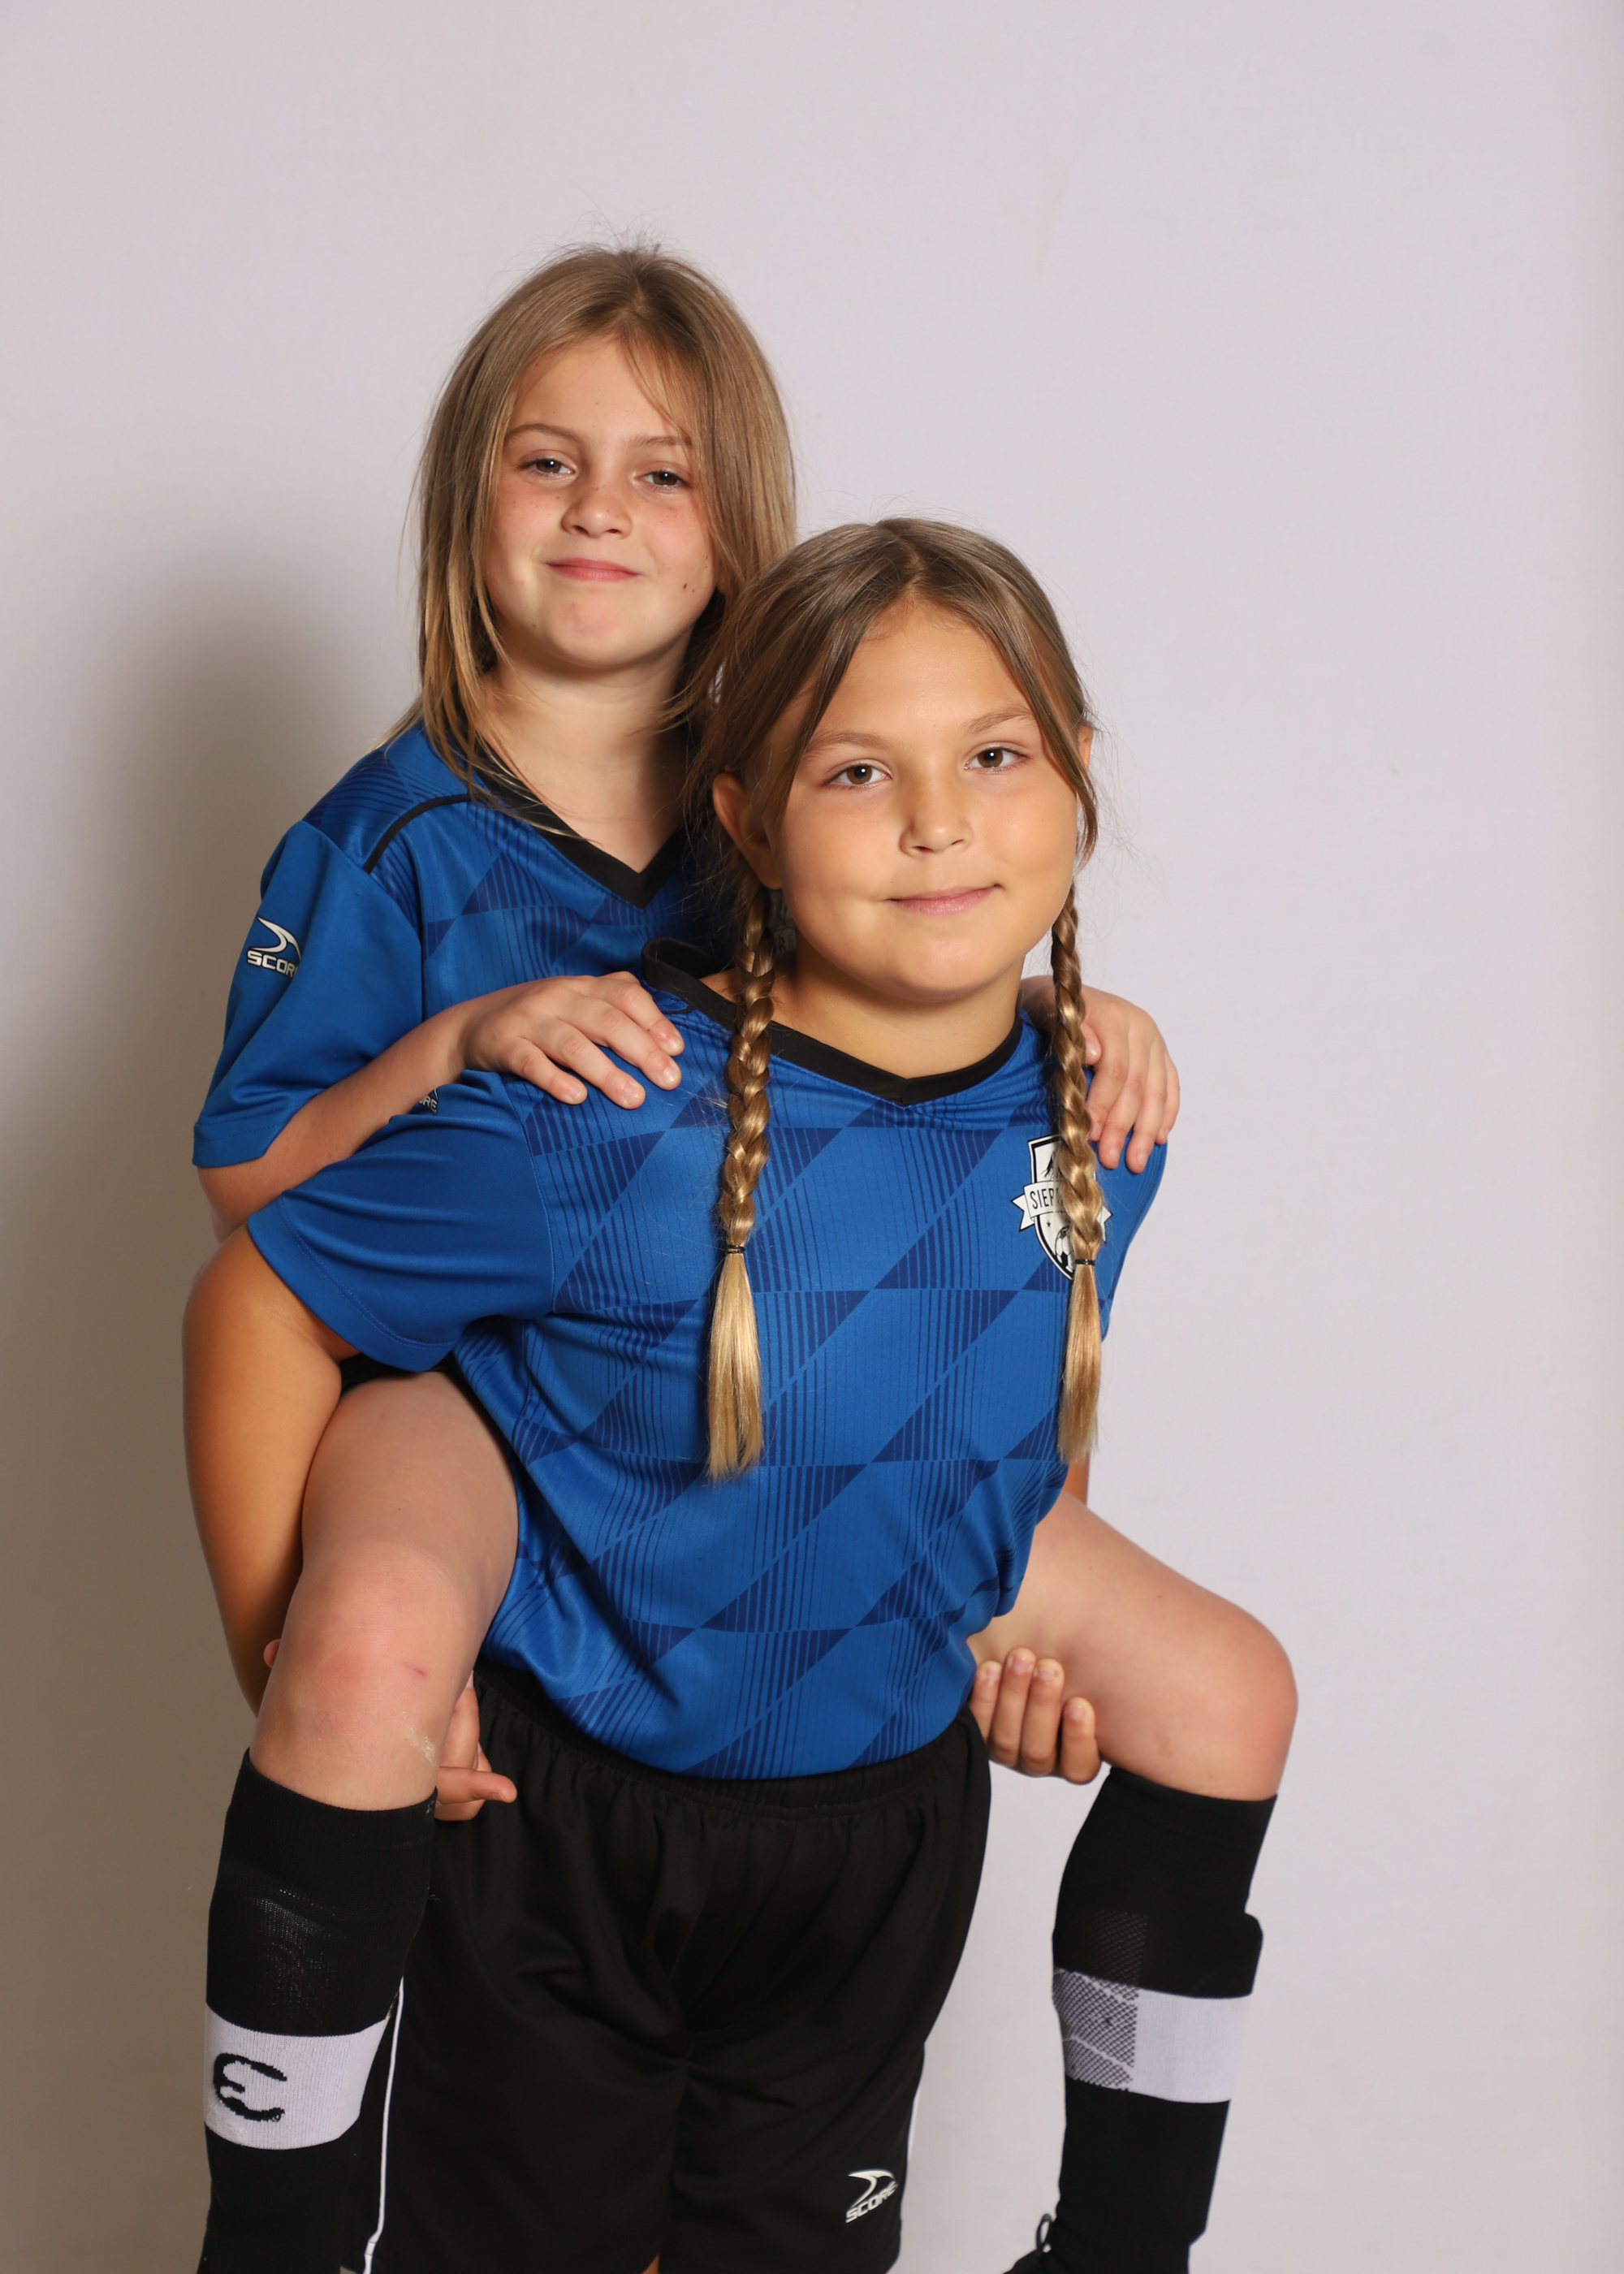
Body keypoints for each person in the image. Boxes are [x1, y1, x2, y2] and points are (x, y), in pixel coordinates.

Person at [184, 518, 1289, 2274]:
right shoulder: (604, 1107)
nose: (938, 821)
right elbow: (262, 1288)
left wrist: (1013, 1618)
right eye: (859, 771)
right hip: (573, 1807)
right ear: (750, 823)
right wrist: (291, 1665)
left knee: (1230, 1691)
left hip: (864, 1837)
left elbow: (1023, 1374)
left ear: (1080, 773)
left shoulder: (1100, 1114)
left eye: (996, 756)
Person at [191, 242, 1178, 1816]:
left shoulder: (796, 785)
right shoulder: (384, 842)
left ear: (736, 526)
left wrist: (1059, 1011)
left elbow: (879, 1029)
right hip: (470, 1413)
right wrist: (455, 1045)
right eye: (547, 464)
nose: (601, 511)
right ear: (466, 499)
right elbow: (249, 1191)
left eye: (663, 473)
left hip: (711, 1434)